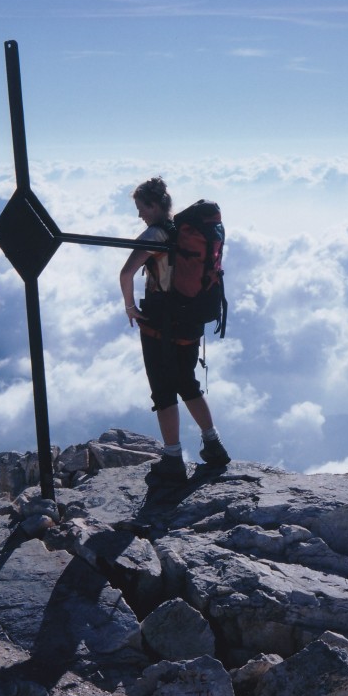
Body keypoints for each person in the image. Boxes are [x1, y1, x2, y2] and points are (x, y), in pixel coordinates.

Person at [120, 176, 230, 482]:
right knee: (187, 382)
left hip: (159, 325)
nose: (139, 214)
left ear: (154, 206)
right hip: (191, 320)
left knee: (163, 390)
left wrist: (130, 308)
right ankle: (213, 445)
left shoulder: (155, 234)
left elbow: (126, 273)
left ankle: (172, 459)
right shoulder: (184, 235)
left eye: (141, 208)